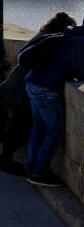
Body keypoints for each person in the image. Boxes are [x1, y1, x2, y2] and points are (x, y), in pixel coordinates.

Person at [0, 12, 76, 176]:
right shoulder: (54, 40)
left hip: (16, 84)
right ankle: (7, 160)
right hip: (22, 87)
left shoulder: (42, 36)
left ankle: (5, 157)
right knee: (22, 126)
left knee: (18, 125)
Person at [20, 12, 84, 186]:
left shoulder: (68, 34)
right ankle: (38, 173)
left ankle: (32, 167)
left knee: (39, 128)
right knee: (54, 133)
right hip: (47, 90)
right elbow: (80, 70)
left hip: (33, 83)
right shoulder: (79, 42)